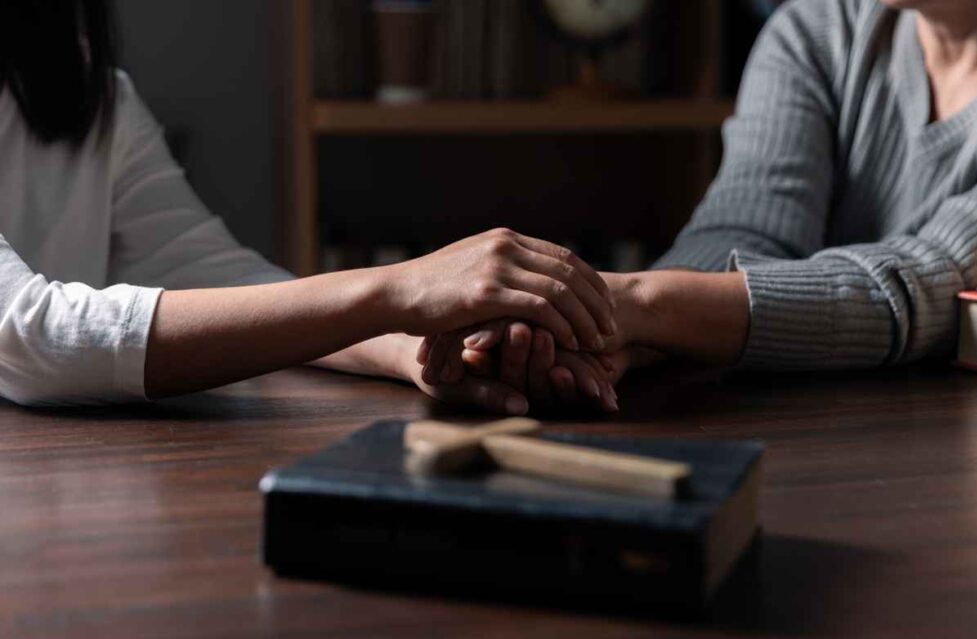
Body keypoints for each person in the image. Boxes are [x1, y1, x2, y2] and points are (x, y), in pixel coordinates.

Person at [0, 0, 618, 408]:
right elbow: (35, 340)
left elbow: (231, 283)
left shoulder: (95, 98)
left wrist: (417, 349)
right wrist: (399, 291)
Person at [417, 0, 977, 413]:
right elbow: (741, 227)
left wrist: (631, 305)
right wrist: (618, 341)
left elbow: (924, 287)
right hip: (798, 435)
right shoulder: (819, 28)